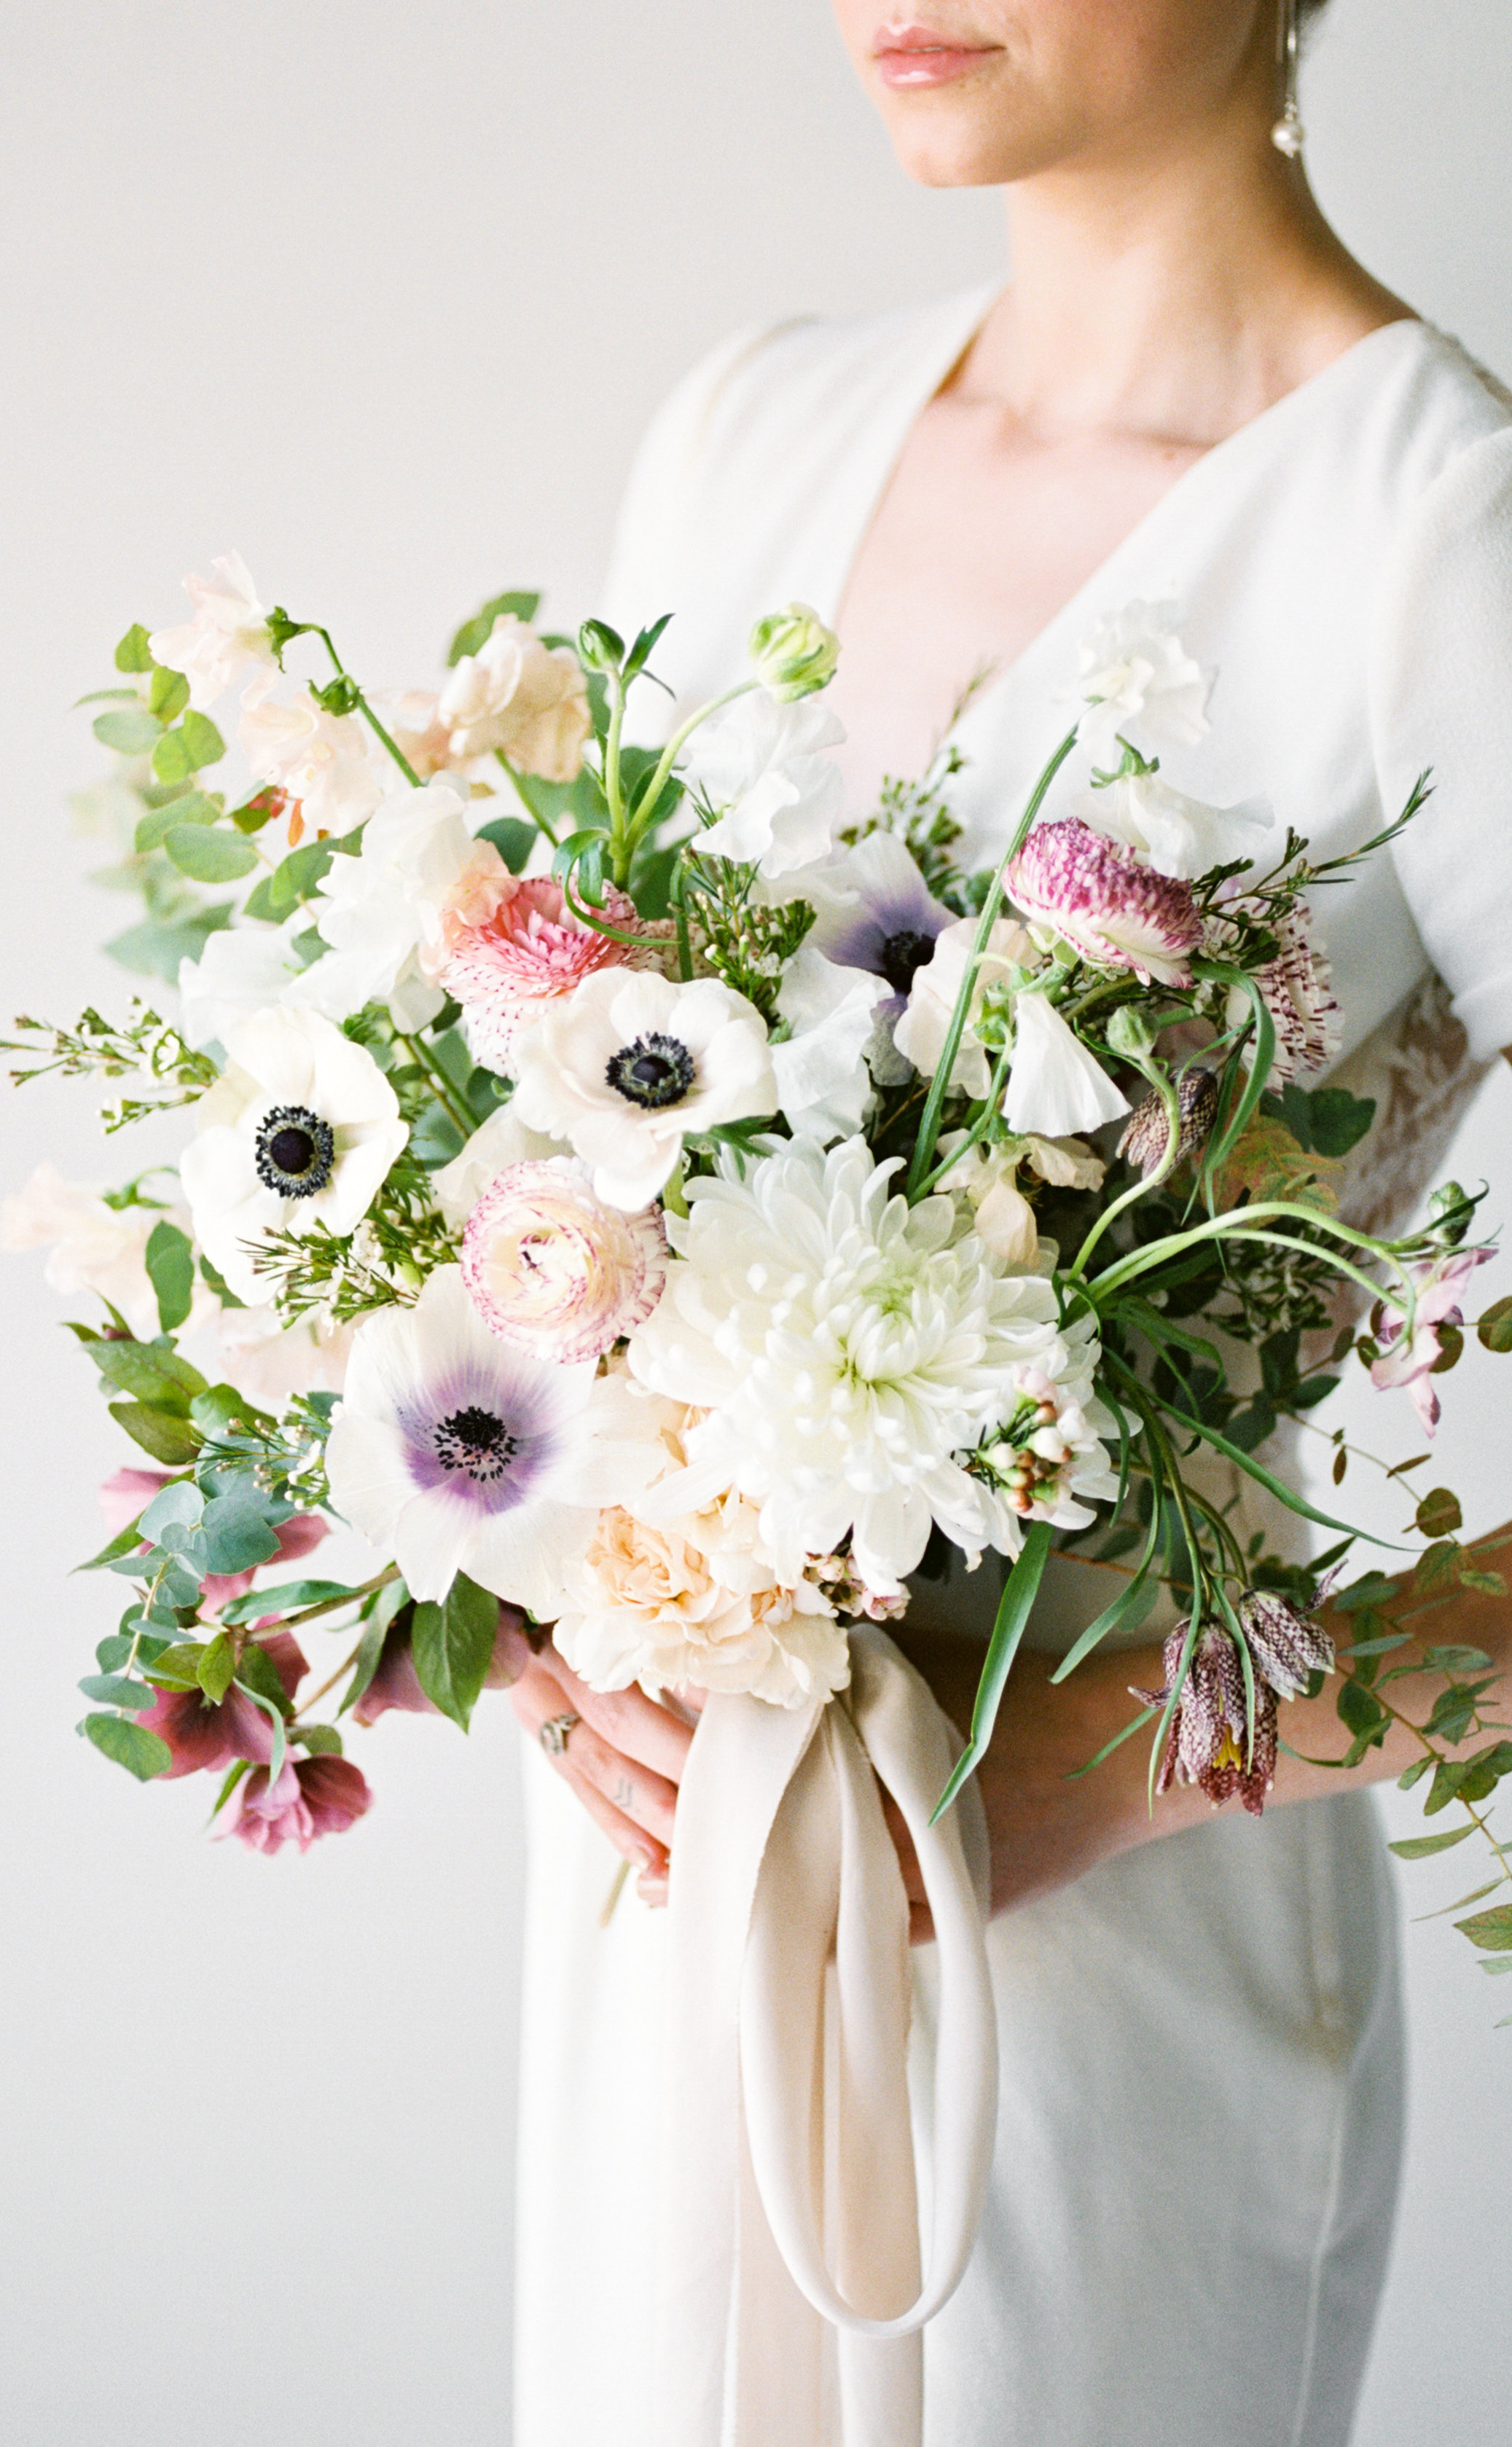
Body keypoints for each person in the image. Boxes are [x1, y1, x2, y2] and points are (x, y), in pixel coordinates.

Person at [508, 5, 1512, 2442]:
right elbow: (551, 1158)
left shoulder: (1429, 536)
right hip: (670, 1910)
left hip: (1087, 1952)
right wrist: (548, 1600)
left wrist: (1114, 1749)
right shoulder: (747, 430)